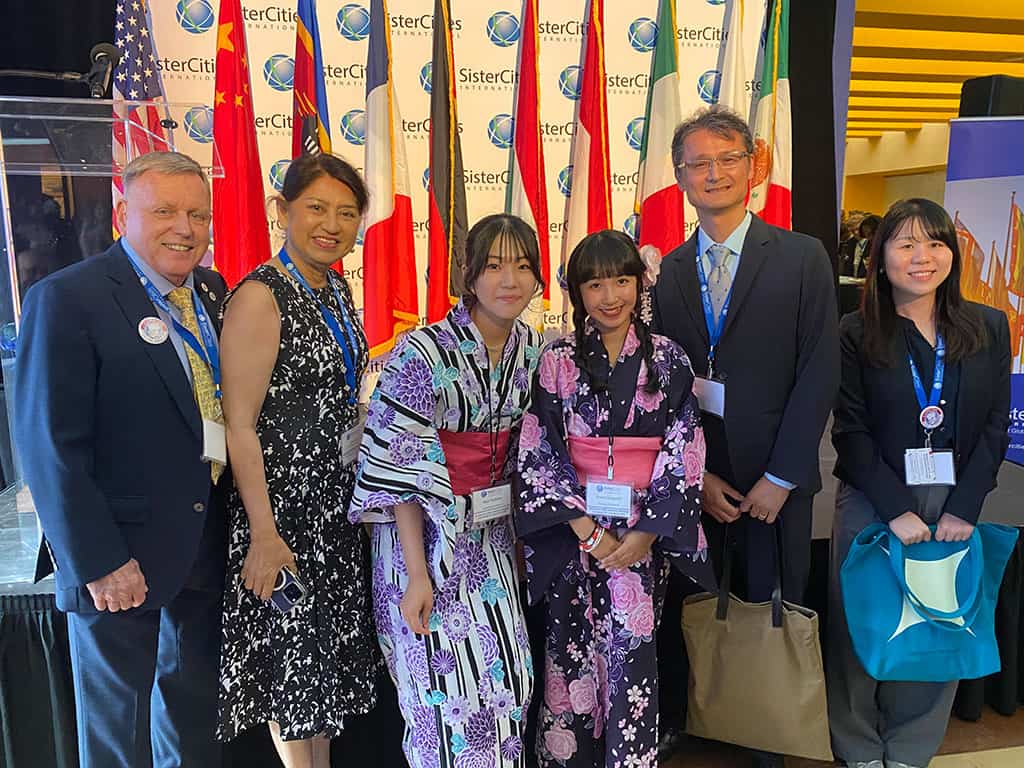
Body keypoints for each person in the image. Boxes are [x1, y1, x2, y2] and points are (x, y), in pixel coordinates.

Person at [14, 151, 228, 767]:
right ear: (121, 215)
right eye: (164, 211)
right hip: (119, 559)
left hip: (202, 541)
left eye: (198, 214)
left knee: (190, 718)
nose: (184, 228)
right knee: (118, 737)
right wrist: (100, 561)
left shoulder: (211, 293)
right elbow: (48, 446)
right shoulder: (68, 299)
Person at [651, 106, 839, 768]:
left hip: (774, 484)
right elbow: (665, 388)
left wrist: (782, 477)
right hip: (702, 481)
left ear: (754, 166)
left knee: (771, 607)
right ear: (679, 176)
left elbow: (820, 368)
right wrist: (693, 478)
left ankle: (769, 736)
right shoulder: (670, 271)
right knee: (702, 607)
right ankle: (710, 719)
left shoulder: (800, 256)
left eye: (727, 158)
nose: (713, 173)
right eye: (698, 163)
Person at [349, 213, 545, 768]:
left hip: (494, 542)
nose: (510, 280)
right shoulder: (421, 352)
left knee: (510, 687)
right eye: (494, 265)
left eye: (523, 266)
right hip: (426, 540)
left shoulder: (534, 349)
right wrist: (415, 574)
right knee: (445, 702)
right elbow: (397, 473)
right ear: (468, 274)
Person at [516, 229, 713, 768]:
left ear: (640, 283)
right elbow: (539, 445)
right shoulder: (555, 359)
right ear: (576, 291)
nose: (610, 296)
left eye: (622, 280)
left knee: (634, 659)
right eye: (595, 283)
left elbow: (684, 448)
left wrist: (647, 531)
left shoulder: (669, 360)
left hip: (641, 536)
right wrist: (589, 531)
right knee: (569, 660)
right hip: (576, 532)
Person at [828, 198, 1010, 768]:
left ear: (951, 254)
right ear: (879, 258)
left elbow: (993, 425)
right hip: (874, 497)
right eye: (904, 244)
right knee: (861, 624)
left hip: (954, 500)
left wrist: (965, 506)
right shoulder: (856, 331)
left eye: (933, 243)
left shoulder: (988, 324)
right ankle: (857, 746)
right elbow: (850, 431)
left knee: (939, 624)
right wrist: (894, 509)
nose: (921, 257)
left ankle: (910, 749)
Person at [215, 153, 380, 768]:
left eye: (346, 212)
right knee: (292, 672)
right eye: (316, 208)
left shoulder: (334, 286)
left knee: (320, 677)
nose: (331, 224)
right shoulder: (262, 295)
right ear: (282, 211)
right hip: (280, 516)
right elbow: (240, 425)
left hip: (331, 510)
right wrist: (263, 534)